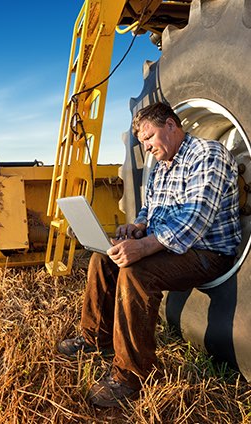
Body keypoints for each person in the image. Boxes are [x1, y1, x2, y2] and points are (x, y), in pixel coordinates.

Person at [57, 102, 242, 407]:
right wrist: (138, 227)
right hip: (172, 247)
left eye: (149, 137)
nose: (146, 147)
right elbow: (150, 207)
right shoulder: (161, 165)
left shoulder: (208, 154)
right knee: (103, 259)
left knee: (136, 272)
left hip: (207, 251)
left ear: (171, 125)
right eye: (141, 142)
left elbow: (194, 219)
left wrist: (143, 247)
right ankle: (94, 339)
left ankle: (131, 375)